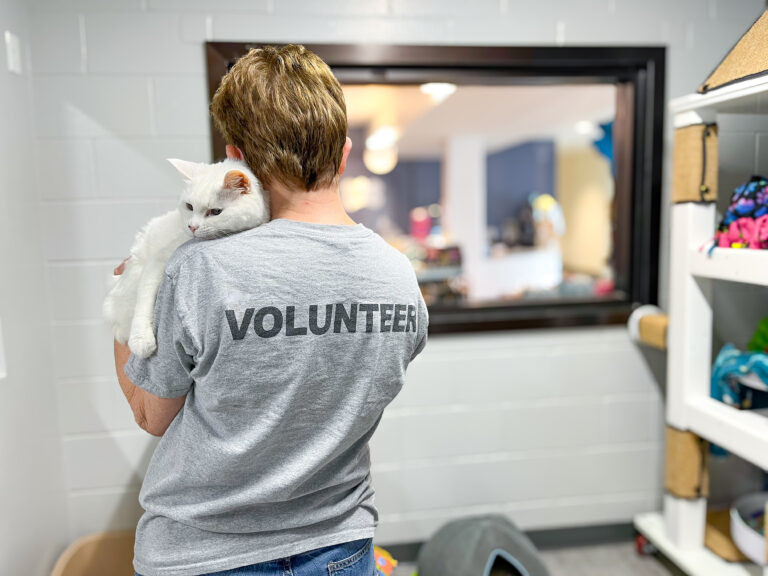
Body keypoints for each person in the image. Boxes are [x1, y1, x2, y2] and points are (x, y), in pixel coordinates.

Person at [113, 44, 428, 576]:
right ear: (344, 152)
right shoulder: (399, 277)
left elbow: (151, 415)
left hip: (202, 557)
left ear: (237, 159)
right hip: (341, 549)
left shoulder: (199, 269)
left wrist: (126, 305)